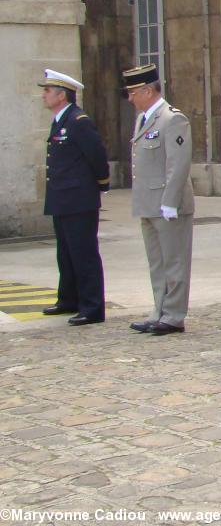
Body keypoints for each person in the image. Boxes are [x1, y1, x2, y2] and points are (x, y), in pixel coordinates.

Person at [122, 64, 194, 336]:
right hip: (148, 202)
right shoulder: (144, 119)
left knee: (174, 261)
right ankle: (159, 309)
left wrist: (170, 200)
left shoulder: (171, 119)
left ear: (147, 90)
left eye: (133, 93)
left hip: (167, 202)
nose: (130, 99)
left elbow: (178, 164)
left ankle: (174, 314)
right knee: (157, 261)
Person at [39, 69, 110, 326]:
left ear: (62, 95)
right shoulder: (61, 120)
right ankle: (68, 299)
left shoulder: (79, 121)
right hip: (62, 198)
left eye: (47, 91)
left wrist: (102, 184)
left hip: (79, 199)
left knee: (84, 253)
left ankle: (92, 307)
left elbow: (97, 155)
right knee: (66, 253)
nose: (43, 96)